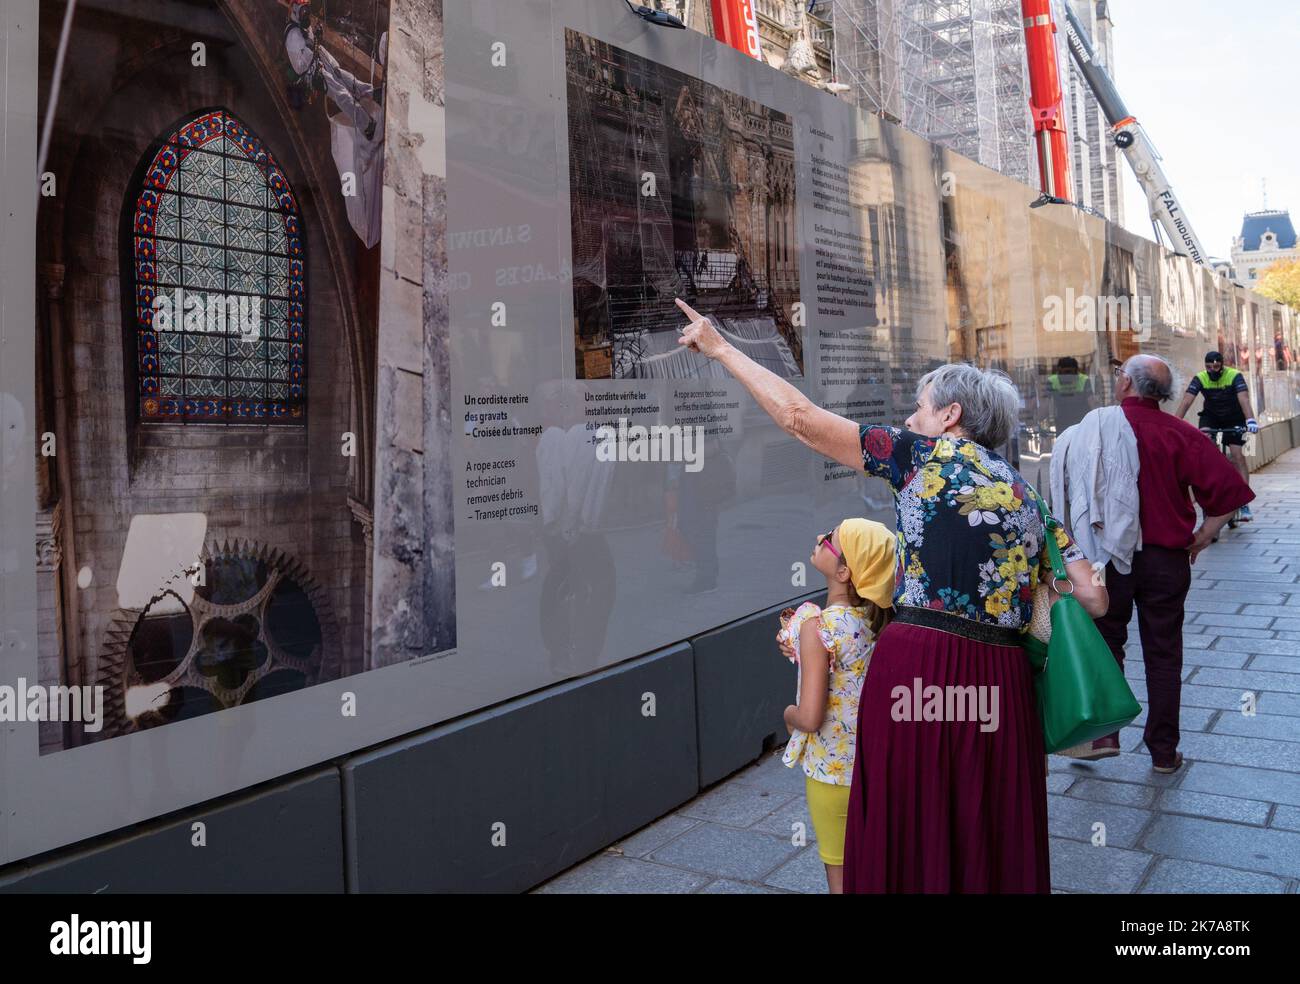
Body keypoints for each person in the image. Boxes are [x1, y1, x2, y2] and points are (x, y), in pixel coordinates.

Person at [674, 298, 1108, 893]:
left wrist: (721, 348)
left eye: (921, 407)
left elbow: (799, 418)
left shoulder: (921, 457)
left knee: (913, 811)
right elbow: (1092, 597)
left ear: (951, 414)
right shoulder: (1026, 494)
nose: (911, 418)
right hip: (1000, 675)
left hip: (920, 664)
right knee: (986, 813)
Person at [1083, 355, 1254, 771]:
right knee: (1163, 652)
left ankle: (1102, 735)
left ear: (1126, 384)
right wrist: (1202, 537)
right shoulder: (1180, 434)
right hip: (1166, 561)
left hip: (1109, 561)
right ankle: (1163, 750)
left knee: (1106, 645)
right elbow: (1230, 495)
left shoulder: (1096, 430)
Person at [777, 519, 896, 894]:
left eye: (829, 538)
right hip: (876, 769)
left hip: (832, 778)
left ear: (844, 571)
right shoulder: (881, 624)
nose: (819, 538)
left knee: (841, 878)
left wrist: (787, 716)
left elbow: (810, 718)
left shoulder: (818, 627)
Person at [1175, 350, 1258, 521]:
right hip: (1211, 417)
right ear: (1205, 366)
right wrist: (1175, 423)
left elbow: (1244, 399)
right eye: (1209, 367)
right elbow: (1186, 401)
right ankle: (1214, 490)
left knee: (1237, 456)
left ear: (1222, 365)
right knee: (1207, 450)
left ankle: (1243, 502)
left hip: (1234, 417)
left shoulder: (1234, 375)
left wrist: (1250, 420)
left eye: (1216, 366)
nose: (1212, 370)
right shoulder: (1201, 377)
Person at [1046, 356, 1093, 432]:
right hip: (1062, 423)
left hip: (1081, 422)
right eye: (1065, 372)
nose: (1068, 376)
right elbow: (1045, 404)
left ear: (1077, 371)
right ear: (1059, 371)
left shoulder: (1084, 380)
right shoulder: (1052, 381)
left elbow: (1092, 403)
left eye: (1070, 372)